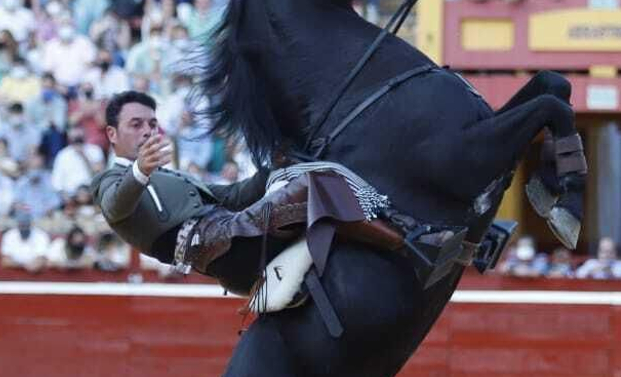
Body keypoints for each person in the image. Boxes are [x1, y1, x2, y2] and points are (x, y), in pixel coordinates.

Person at [94, 91, 408, 294]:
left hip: (230, 231)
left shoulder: (167, 176)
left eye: (152, 123)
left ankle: (397, 219)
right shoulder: (112, 180)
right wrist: (140, 172)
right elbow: (115, 206)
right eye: (136, 124)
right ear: (112, 133)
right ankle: (406, 246)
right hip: (222, 248)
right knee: (309, 186)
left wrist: (274, 166)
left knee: (297, 170)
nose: (148, 131)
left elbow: (231, 196)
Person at [0, 207, 53, 271]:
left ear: (31, 224)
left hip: (36, 275)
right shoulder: (9, 235)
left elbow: (41, 259)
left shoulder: (41, 235)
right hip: (14, 274)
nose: (24, 229)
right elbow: (5, 261)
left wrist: (34, 265)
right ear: (18, 224)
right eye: (22, 226)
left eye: (26, 225)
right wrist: (23, 266)